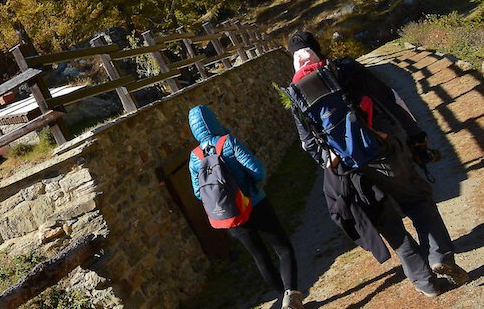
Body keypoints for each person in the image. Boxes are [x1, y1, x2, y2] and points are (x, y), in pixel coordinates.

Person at [286, 31, 470, 296]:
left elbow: (308, 144)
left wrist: (332, 158)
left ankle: (426, 283)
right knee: (417, 200)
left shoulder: (295, 94)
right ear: (318, 49)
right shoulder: (345, 68)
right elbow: (392, 99)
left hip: (350, 170)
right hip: (383, 151)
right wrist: (416, 136)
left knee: (389, 224)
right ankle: (439, 256)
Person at [188, 105, 305, 309]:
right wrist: (250, 186)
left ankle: (283, 300)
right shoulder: (228, 142)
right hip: (255, 203)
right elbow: (258, 171)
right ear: (213, 119)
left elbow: (199, 192)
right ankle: (290, 295)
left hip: (230, 214)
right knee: (283, 249)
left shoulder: (195, 157)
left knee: (260, 258)